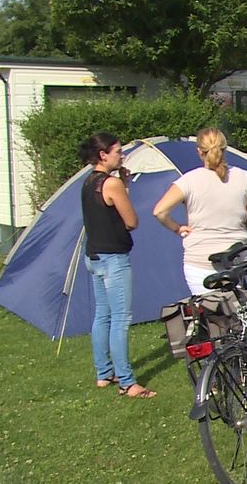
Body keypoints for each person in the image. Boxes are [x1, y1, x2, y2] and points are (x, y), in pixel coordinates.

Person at [78, 132, 155, 399]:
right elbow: (131, 221)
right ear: (103, 155)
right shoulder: (111, 184)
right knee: (120, 320)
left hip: (94, 257)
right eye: (118, 152)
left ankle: (103, 374)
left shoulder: (88, 181)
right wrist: (124, 186)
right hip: (113, 259)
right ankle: (127, 382)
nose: (122, 156)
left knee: (103, 315)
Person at [153, 128, 247, 296]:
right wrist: (238, 229)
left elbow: (159, 211)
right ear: (225, 149)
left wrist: (177, 228)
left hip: (200, 258)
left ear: (199, 151)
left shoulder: (189, 180)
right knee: (238, 306)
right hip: (237, 255)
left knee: (209, 310)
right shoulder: (245, 177)